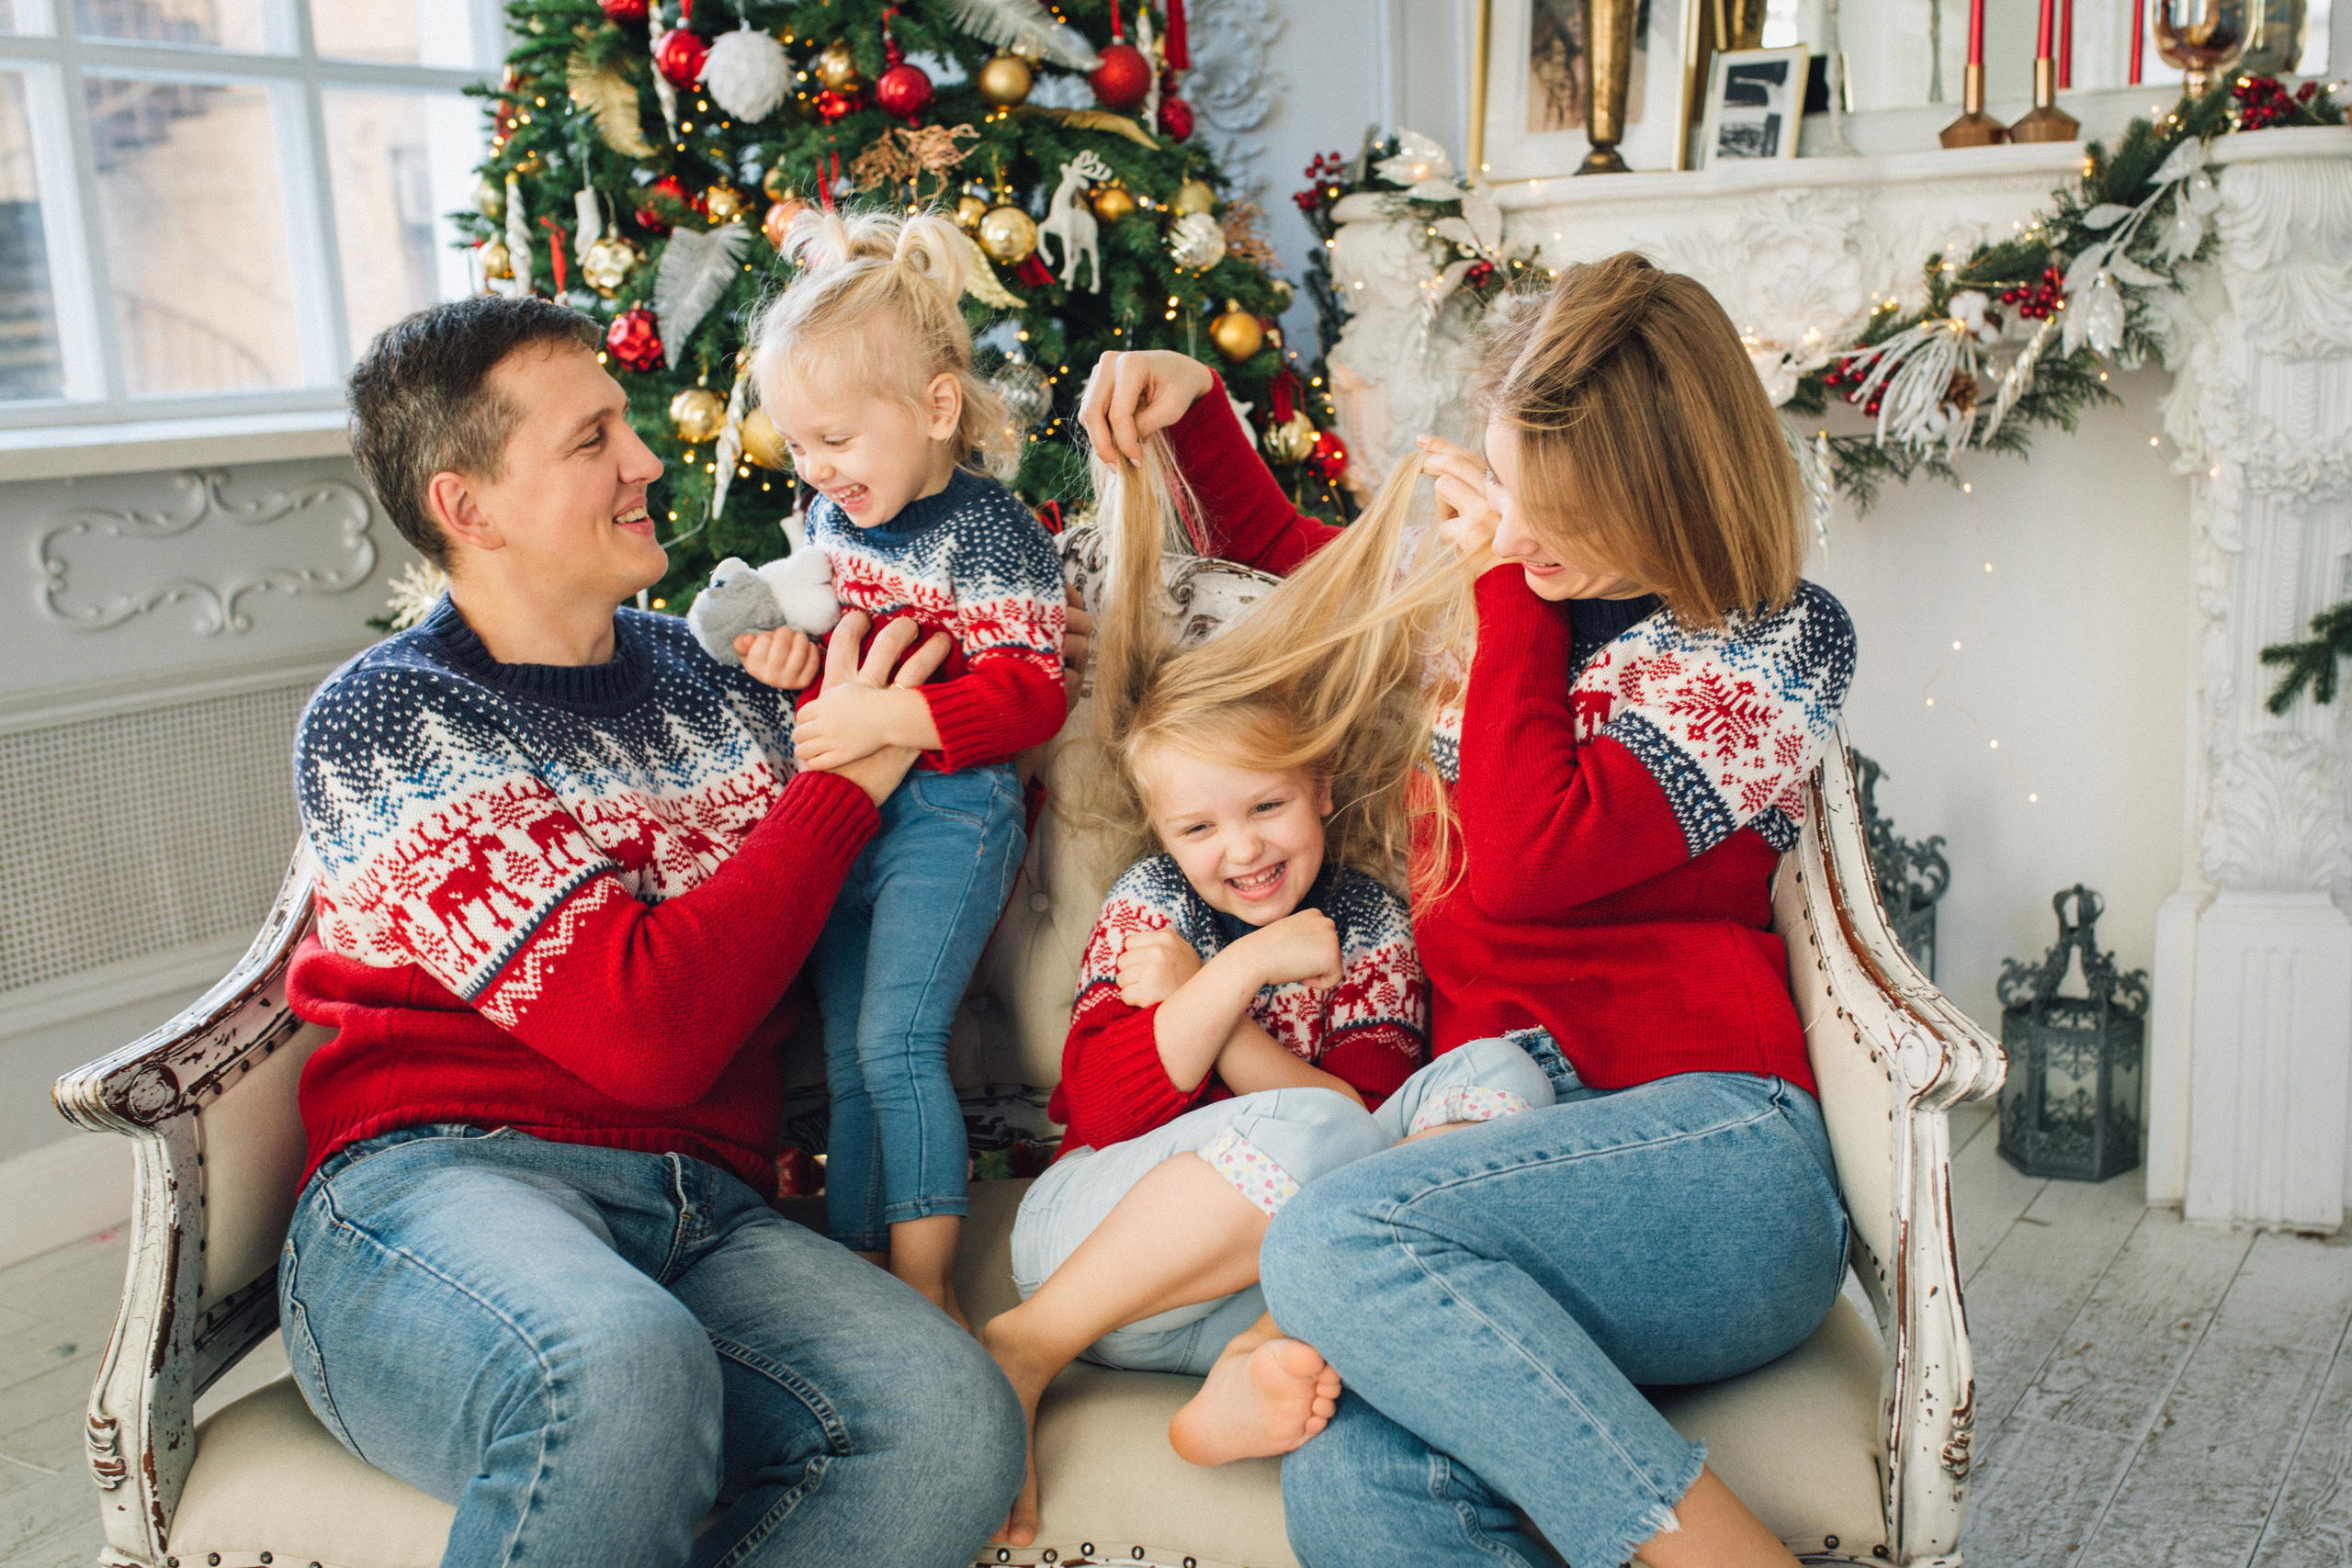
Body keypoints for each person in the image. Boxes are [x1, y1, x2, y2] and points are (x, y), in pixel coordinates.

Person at [1077, 252, 1859, 1568]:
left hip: (1719, 1157)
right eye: (1511, 486)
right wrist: (1200, 412)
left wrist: (1498, 584)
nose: (1526, 531)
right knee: (1360, 1469)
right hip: (1490, 1168)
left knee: (1331, 1231)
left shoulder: (1771, 634)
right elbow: (1298, 567)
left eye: (1566, 509)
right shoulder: (1499, 592)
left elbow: (1538, 850)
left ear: (1670, 485)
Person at [280, 293, 1026, 1568]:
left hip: (706, 1214)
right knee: (619, 1361)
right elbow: (652, 1030)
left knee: (952, 1420)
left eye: (627, 425)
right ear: (470, 507)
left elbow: (889, 874)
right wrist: (839, 783)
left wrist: (973, 690)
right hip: (441, 1188)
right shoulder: (390, 722)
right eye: (592, 442)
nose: (646, 462)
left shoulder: (725, 678)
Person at [978, 448, 1555, 1545]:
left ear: (1319, 790)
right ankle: (1026, 1345)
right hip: (1094, 1249)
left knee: (1494, 1078)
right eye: (1198, 828)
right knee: (1314, 1127)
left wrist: (1211, 1014)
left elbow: (1363, 1132)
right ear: (1164, 833)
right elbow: (1104, 1111)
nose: (1239, 849)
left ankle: (1258, 1362)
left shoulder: (1367, 924)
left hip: (1251, 1291)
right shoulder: (1155, 907)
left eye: (1266, 808)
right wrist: (1237, 967)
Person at [743, 209, 1067, 1326]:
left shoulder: (989, 532)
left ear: (936, 409)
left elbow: (1032, 690)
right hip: (844, 822)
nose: (818, 469)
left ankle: (925, 1286)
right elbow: (814, 645)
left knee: (897, 1037)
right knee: (843, 1051)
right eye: (797, 447)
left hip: (949, 815)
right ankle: (858, 1269)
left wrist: (892, 713)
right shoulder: (827, 521)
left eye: (834, 438)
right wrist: (789, 662)